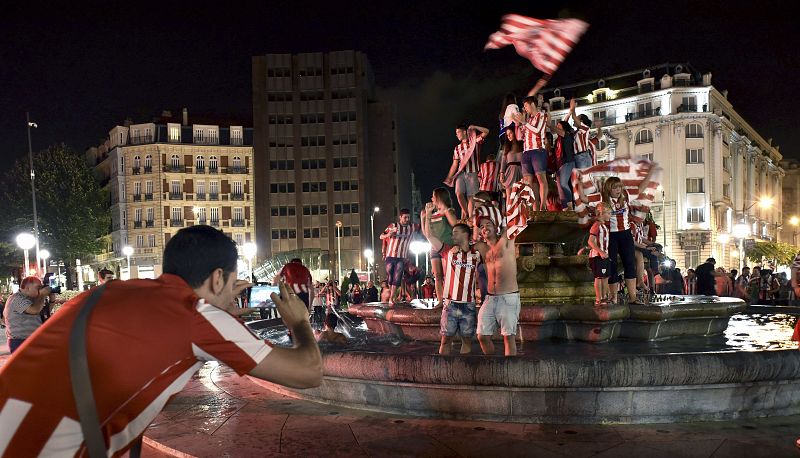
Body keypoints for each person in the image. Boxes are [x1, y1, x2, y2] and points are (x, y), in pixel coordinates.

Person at [0, 225, 322, 456]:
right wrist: (300, 322)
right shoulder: (196, 316)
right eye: (232, 281)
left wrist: (224, 315)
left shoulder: (106, 293)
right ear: (217, 278)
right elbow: (309, 372)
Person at [423, 212, 481, 356]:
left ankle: (463, 370)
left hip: (468, 303)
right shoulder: (449, 251)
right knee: (445, 340)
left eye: (455, 232)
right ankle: (444, 370)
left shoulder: (477, 253)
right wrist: (428, 216)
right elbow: (429, 236)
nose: (452, 234)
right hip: (450, 303)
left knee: (467, 341)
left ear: (465, 234)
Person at [474, 213, 522, 356]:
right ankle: (493, 367)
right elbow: (465, 245)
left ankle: (509, 371)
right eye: (481, 226)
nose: (484, 228)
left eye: (488, 224)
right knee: (482, 336)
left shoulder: (507, 239)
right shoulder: (484, 249)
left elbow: (516, 220)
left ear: (496, 227)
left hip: (508, 296)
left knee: (508, 337)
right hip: (490, 298)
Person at [420, 188, 459, 306]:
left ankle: (450, 298)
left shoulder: (448, 210)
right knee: (437, 276)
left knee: (448, 274)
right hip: (434, 247)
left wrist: (446, 211)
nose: (431, 199)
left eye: (433, 196)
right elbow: (426, 233)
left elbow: (455, 225)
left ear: (439, 197)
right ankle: (441, 300)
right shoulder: (430, 213)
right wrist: (425, 217)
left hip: (447, 245)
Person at [444, 124, 490, 219]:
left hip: (473, 173)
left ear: (464, 132)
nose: (457, 135)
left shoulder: (474, 141)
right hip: (461, 174)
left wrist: (475, 127)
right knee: (458, 193)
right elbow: (455, 164)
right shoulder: (457, 148)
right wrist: (449, 176)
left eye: (458, 132)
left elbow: (486, 131)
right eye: (456, 133)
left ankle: (468, 217)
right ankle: (468, 215)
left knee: (471, 198)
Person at [514, 96, 549, 210]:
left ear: (532, 104)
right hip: (526, 152)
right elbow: (520, 137)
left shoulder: (541, 115)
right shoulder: (528, 120)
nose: (525, 108)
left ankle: (543, 206)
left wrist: (524, 122)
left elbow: (538, 131)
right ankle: (533, 207)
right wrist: (518, 123)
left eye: (526, 106)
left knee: (540, 178)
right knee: (528, 182)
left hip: (537, 150)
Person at [379, 209, 420, 303]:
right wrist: (389, 234)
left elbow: (423, 227)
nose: (407, 219)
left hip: (402, 257)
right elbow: (381, 236)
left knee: (397, 276)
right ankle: (392, 293)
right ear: (400, 217)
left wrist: (425, 215)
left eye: (408, 217)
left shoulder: (412, 226)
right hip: (390, 255)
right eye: (405, 217)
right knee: (390, 275)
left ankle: (392, 297)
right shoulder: (393, 226)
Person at [4, 276, 51, 353]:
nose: (40, 290)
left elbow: (41, 312)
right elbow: (34, 310)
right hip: (20, 342)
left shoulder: (30, 299)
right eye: (38, 287)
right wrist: (42, 295)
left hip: (30, 340)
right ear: (27, 288)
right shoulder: (16, 299)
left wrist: (51, 301)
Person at [588, 203, 611, 306]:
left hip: (604, 255)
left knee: (605, 276)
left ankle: (604, 297)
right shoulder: (597, 225)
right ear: (602, 213)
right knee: (599, 277)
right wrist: (601, 252)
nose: (610, 215)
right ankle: (599, 298)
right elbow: (590, 241)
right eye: (609, 213)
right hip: (597, 256)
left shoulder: (603, 226)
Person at [568, 99, 601, 169]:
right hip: (578, 156)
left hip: (582, 156)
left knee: (583, 176)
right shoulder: (576, 132)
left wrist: (573, 107)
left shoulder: (585, 128)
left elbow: (573, 116)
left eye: (577, 118)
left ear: (581, 121)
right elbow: (599, 136)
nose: (574, 119)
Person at [552, 120, 576, 211]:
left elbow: (555, 128)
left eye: (559, 124)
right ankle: (566, 207)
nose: (557, 126)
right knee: (562, 187)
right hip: (560, 165)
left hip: (568, 162)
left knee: (563, 183)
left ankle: (570, 206)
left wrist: (549, 125)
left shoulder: (566, 135)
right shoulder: (558, 140)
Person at [499, 125, 524, 202]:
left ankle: (520, 213)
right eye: (507, 135)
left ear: (515, 133)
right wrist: (502, 173)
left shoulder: (522, 145)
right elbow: (503, 161)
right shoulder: (506, 147)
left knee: (520, 196)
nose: (509, 136)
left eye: (510, 133)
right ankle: (509, 213)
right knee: (509, 196)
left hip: (521, 171)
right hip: (510, 172)